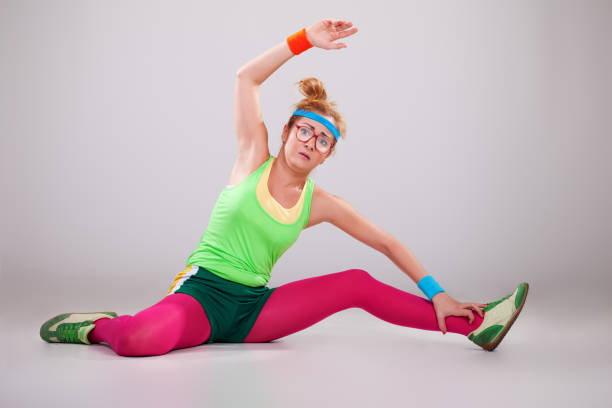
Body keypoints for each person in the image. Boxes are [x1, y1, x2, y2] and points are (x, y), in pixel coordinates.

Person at [40, 18, 528, 356]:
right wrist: (304, 40)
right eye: (305, 130)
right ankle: (95, 327)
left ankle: (474, 324)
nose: (310, 141)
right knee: (138, 341)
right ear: (288, 131)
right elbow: (246, 78)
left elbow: (385, 241)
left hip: (256, 310)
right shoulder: (253, 157)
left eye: (323, 140)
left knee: (354, 283)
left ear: (326, 154)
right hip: (203, 295)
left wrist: (437, 292)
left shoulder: (321, 203)